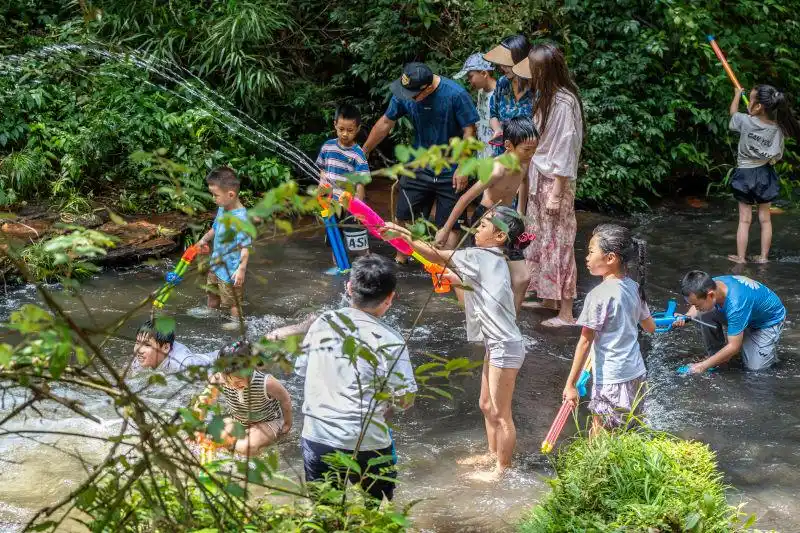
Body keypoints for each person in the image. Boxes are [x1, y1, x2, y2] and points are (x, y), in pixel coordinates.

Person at [385, 207, 532, 481]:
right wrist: (405, 235)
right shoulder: (492, 257)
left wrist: (401, 235)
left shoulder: (479, 255)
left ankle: (502, 469)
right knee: (486, 405)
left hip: (504, 345)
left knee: (502, 414)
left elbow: (432, 252)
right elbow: (472, 285)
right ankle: (492, 454)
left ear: (499, 236)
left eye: (484, 224)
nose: (477, 227)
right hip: (497, 343)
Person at [295, 255, 417, 501]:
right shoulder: (391, 340)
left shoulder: (323, 322)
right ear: (390, 298)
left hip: (319, 435)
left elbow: (301, 370)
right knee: (375, 510)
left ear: (349, 288)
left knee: (323, 511)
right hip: (368, 441)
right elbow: (406, 400)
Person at [362, 62, 479, 262]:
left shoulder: (456, 95)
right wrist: (363, 151)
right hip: (418, 164)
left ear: (427, 88)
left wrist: (464, 166)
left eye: (413, 94)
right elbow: (385, 123)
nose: (408, 97)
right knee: (403, 214)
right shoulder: (406, 92)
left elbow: (470, 132)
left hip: (450, 168)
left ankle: (442, 267)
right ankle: (403, 258)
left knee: (449, 225)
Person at [433, 117, 539, 312]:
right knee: (477, 275)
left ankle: (510, 322)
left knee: (522, 278)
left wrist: (521, 211)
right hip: (486, 222)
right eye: (527, 149)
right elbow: (465, 198)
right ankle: (475, 315)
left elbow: (524, 181)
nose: (531, 154)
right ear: (508, 145)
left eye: (534, 149)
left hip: (508, 220)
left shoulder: (525, 162)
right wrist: (445, 230)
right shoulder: (496, 169)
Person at [514, 42, 585, 328]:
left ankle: (566, 312)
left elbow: (567, 149)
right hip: (540, 175)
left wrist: (556, 191)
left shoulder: (565, 101)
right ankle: (548, 298)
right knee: (541, 238)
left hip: (555, 180)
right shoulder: (548, 95)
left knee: (561, 242)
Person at [562, 224, 655, 435]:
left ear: (610, 258)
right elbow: (650, 327)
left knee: (600, 434)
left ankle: (598, 468)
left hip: (611, 377)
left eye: (591, 252)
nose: (586, 257)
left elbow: (585, 342)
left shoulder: (599, 295)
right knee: (630, 431)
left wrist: (571, 385)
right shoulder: (634, 287)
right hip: (636, 373)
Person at [726, 85, 800, 264]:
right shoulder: (777, 129)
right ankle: (763, 258)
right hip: (765, 174)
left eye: (751, 100)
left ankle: (741, 258)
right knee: (765, 220)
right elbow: (776, 156)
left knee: (744, 220)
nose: (748, 103)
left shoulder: (744, 121)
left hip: (745, 174)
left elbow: (732, 114)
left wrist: (737, 95)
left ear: (758, 107)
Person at [676, 271, 785, 372]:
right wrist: (687, 316)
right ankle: (716, 355)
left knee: (755, 369)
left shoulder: (736, 304)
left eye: (697, 305)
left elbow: (734, 347)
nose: (695, 307)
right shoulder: (709, 284)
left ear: (711, 295)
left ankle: (724, 356)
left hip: (765, 322)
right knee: (703, 313)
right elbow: (697, 307)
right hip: (746, 312)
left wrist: (702, 366)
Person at [200, 340, 292, 456]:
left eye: (238, 382)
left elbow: (285, 400)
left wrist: (287, 424)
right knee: (213, 438)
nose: (233, 386)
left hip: (268, 421)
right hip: (239, 420)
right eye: (228, 381)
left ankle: (262, 448)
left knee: (245, 447)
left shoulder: (267, 383)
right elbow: (205, 401)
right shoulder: (219, 379)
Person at [316, 103, 371, 261]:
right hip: (331, 205)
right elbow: (322, 169)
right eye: (341, 129)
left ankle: (366, 270)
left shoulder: (357, 154)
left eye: (350, 130)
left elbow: (361, 183)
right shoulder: (328, 147)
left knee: (358, 243)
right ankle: (340, 269)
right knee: (335, 241)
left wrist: (360, 208)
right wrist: (322, 184)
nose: (345, 134)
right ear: (335, 125)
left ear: (358, 129)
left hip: (351, 207)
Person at [197, 166, 252, 318]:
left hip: (230, 270)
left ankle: (236, 323)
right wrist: (203, 240)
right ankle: (210, 312)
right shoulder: (223, 207)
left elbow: (245, 247)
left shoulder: (241, 219)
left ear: (231, 194)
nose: (213, 198)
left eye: (215, 195)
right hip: (216, 264)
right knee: (212, 292)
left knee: (233, 302)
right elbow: (216, 228)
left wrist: (241, 270)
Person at [484, 35, 533, 156]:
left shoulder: (537, 90)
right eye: (502, 63)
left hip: (528, 159)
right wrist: (497, 130)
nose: (502, 67)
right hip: (502, 155)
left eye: (507, 64)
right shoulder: (503, 83)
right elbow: (493, 113)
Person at [454, 53, 497, 159]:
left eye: (470, 77)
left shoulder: (499, 94)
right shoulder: (481, 91)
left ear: (483, 73)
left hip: (496, 153)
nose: (469, 81)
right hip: (482, 149)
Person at [133, 319, 218, 372]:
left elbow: (214, 383)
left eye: (147, 345)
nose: (138, 350)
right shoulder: (141, 357)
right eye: (137, 343)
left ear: (165, 348)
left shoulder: (185, 364)